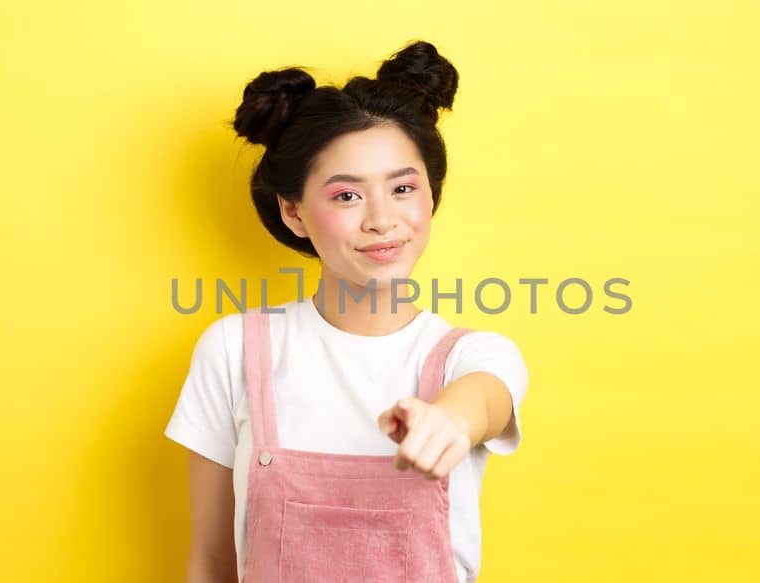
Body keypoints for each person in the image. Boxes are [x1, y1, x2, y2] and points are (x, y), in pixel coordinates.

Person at [164, 40, 529, 583]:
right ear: (293, 212)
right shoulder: (235, 348)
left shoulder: (472, 356)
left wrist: (449, 420)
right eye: (346, 197)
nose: (382, 220)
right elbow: (210, 564)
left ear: (431, 197)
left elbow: (484, 400)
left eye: (403, 188)